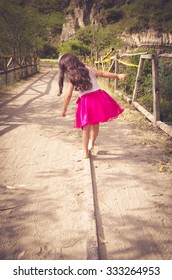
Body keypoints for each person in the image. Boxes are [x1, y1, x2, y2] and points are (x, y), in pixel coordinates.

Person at [58, 53, 126, 158]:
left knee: (86, 128)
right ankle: (92, 143)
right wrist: (117, 76)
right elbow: (102, 73)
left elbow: (68, 95)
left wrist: (64, 108)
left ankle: (85, 151)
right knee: (95, 123)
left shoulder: (72, 77)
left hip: (86, 102)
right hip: (98, 98)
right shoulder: (88, 69)